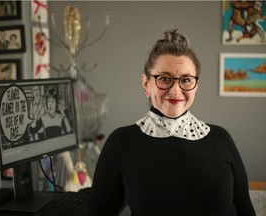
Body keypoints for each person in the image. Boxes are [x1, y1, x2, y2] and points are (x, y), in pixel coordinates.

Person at [84, 26, 256, 215]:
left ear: (196, 85)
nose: (175, 91)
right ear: (146, 83)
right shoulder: (122, 142)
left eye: (186, 80)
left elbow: (245, 209)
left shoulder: (221, 138)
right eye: (165, 79)